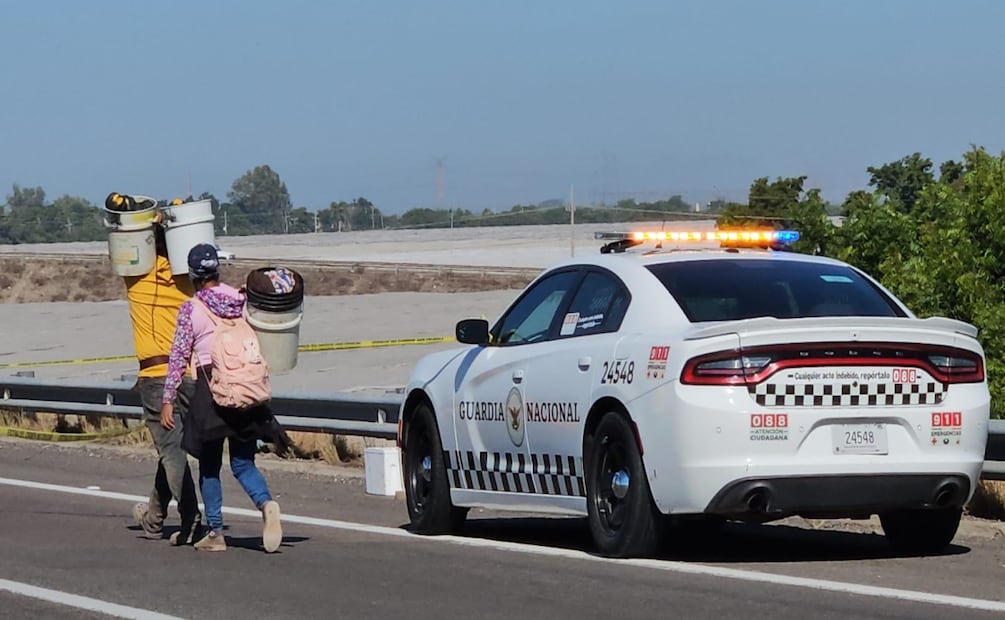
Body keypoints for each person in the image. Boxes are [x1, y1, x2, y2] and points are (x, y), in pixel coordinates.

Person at [160, 243, 286, 553]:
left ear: (192, 276)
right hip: (246, 390)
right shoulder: (241, 300)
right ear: (217, 270)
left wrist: (167, 397)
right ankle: (266, 503)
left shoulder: (191, 308)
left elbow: (178, 356)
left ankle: (216, 532)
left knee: (210, 465)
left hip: (212, 390)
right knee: (243, 463)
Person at [121, 212, 203, 545]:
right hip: (191, 375)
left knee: (171, 450)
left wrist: (146, 224)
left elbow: (122, 242)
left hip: (157, 378)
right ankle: (154, 518)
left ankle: (191, 518)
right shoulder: (187, 281)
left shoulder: (136, 280)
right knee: (171, 446)